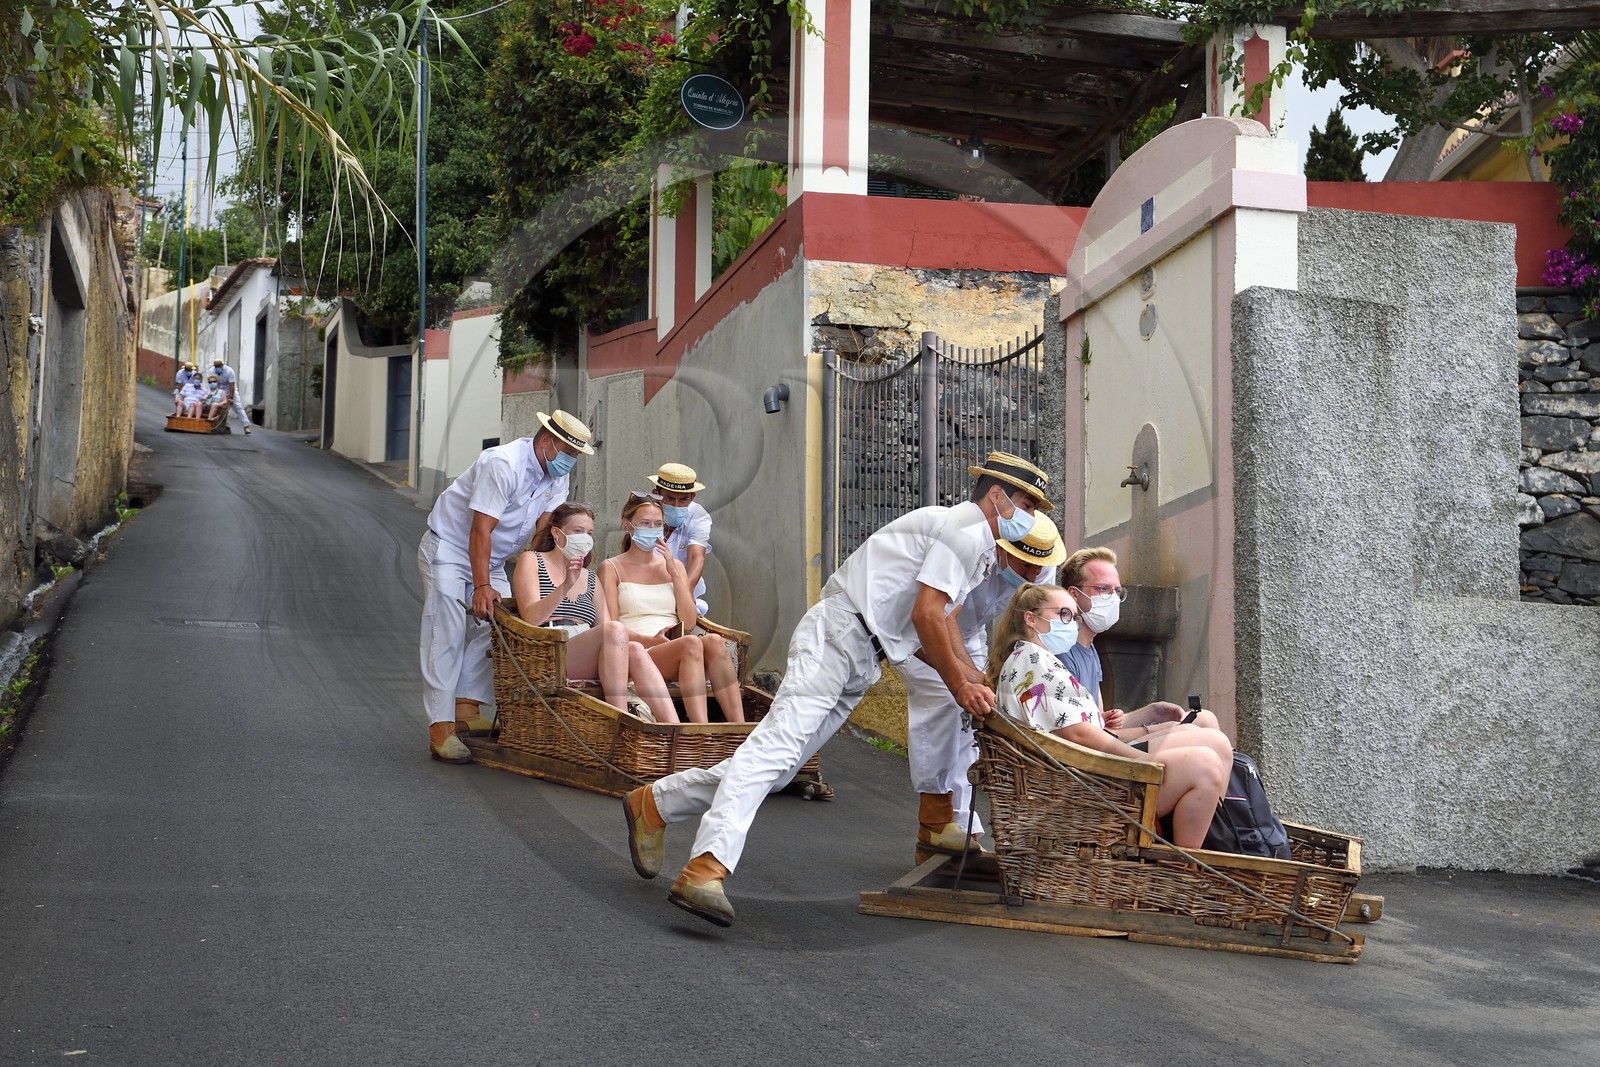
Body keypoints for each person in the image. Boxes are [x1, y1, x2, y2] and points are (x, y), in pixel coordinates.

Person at [622, 451, 1053, 928]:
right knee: (774, 751)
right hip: (840, 634)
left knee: (780, 766)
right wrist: (960, 684)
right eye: (1027, 505)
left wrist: (969, 677)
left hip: (861, 650)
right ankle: (706, 869)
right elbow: (928, 615)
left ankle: (655, 803)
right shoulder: (966, 530)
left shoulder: (966, 534)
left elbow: (942, 619)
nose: (1031, 519)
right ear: (997, 496)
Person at [988, 583, 1228, 850]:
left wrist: (1149, 723)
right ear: (1031, 618)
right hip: (1082, 785)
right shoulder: (1032, 661)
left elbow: (1086, 727)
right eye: (1063, 615)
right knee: (1204, 764)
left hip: (1085, 770)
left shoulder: (1036, 658)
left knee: (1209, 739)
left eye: (1075, 617)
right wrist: (1142, 761)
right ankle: (1185, 869)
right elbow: (1077, 733)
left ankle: (1218, 841)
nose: (1073, 624)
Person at [418, 409, 595, 763]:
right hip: (451, 549)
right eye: (568, 453)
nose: (570, 462)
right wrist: (482, 585)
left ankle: (466, 703)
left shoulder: (554, 477)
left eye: (576, 456)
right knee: (447, 630)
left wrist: (564, 558)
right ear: (547, 442)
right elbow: (479, 529)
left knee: (508, 626)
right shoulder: (503, 464)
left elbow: (546, 531)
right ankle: (440, 727)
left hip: (494, 557)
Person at [901, 508, 1066, 860]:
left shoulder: (1042, 561)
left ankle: (965, 831)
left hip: (971, 632)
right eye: (1025, 568)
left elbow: (1031, 626)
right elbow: (943, 616)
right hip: (923, 628)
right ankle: (933, 826)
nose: (1034, 575)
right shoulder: (970, 550)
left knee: (974, 723)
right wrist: (967, 677)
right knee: (944, 707)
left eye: (1039, 568)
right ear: (1003, 549)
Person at [1059, 546, 1231, 761]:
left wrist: (1152, 712)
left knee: (1204, 719)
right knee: (1207, 740)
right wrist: (1156, 730)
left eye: (1116, 591)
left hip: (1102, 744)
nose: (1112, 598)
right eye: (1103, 589)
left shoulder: (1089, 647)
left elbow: (1101, 721)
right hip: (1095, 760)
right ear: (1074, 594)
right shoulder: (1062, 652)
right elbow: (1086, 736)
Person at [511, 502, 677, 724]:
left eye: (589, 533)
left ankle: (675, 729)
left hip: (587, 651)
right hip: (549, 649)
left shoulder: (590, 577)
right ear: (556, 532)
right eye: (577, 531)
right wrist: (565, 586)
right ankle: (620, 722)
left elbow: (608, 629)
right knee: (616, 631)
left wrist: (649, 639)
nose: (585, 538)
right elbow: (531, 617)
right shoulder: (532, 560)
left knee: (636, 649)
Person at [599, 493, 745, 726]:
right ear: (628, 525)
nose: (652, 529)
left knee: (714, 642)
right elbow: (611, 627)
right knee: (691, 643)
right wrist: (651, 640)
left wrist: (675, 572)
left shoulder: (674, 566)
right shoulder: (611, 567)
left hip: (676, 644)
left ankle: (741, 730)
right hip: (638, 650)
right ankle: (700, 731)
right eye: (645, 524)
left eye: (657, 524)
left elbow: (688, 622)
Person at [648, 462, 713, 615]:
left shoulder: (699, 517)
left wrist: (684, 596)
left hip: (681, 590)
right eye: (669, 499)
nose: (676, 505)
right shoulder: (644, 512)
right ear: (656, 493)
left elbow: (697, 558)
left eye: (683, 500)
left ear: (693, 497)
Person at [210, 357, 252, 435]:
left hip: (230, 389)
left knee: (237, 406)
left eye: (219, 366)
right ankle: (226, 426)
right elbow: (212, 383)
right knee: (222, 408)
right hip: (219, 390)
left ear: (222, 365)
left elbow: (231, 385)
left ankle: (246, 426)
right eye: (216, 366)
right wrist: (215, 394)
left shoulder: (229, 371)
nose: (218, 368)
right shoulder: (211, 371)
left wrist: (231, 398)